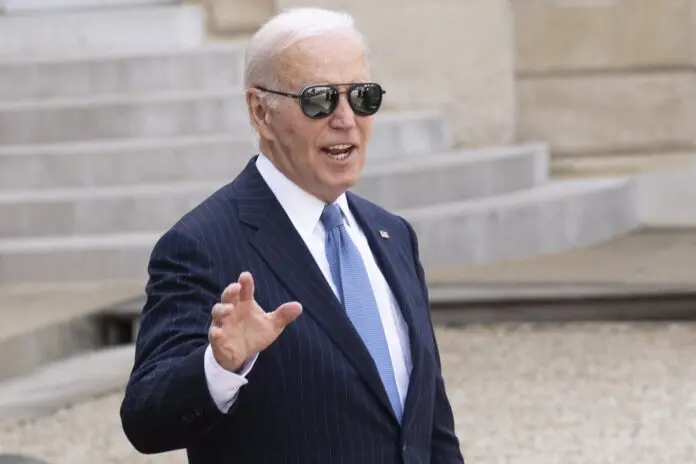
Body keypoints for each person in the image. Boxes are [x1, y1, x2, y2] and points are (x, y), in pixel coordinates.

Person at [119, 7, 464, 464]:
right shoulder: (201, 245)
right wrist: (219, 366)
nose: (346, 119)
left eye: (362, 97)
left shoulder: (392, 234)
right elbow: (145, 419)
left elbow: (430, 424)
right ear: (260, 112)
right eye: (320, 100)